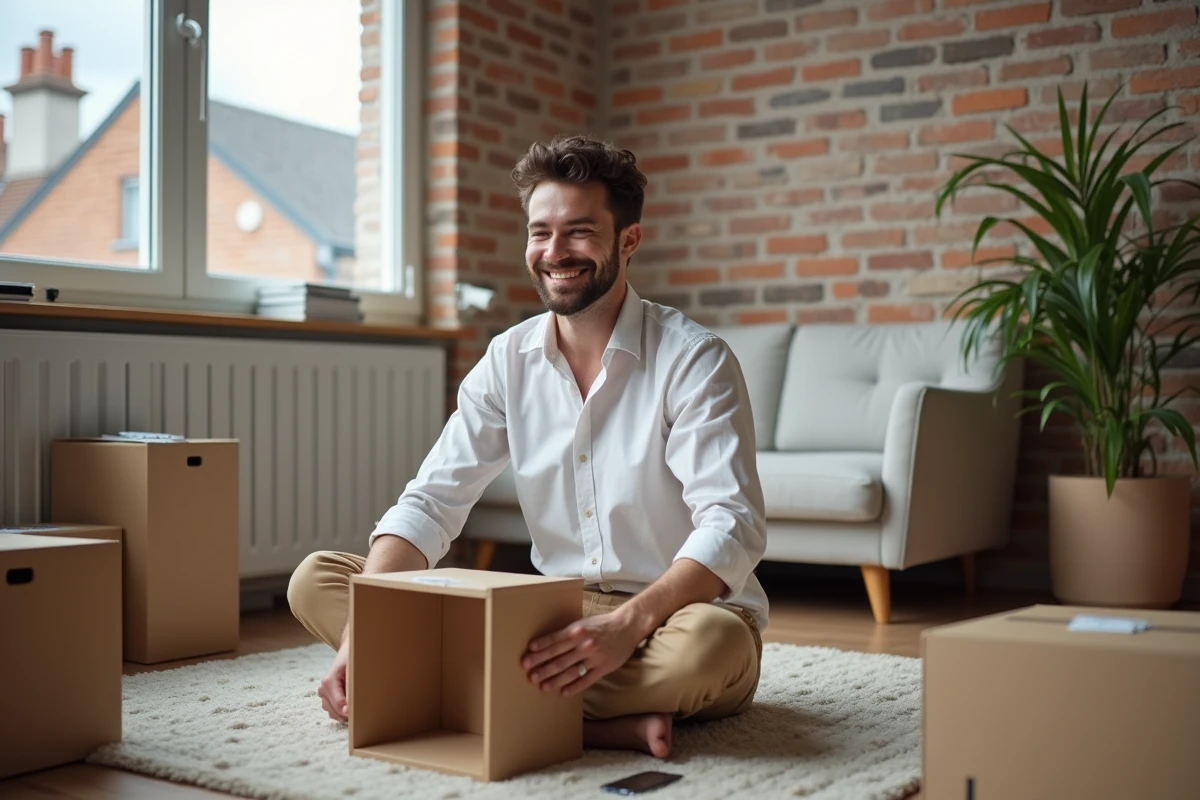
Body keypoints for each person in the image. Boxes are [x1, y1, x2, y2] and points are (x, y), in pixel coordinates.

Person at [287, 134, 769, 759]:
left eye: (579, 231)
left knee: (712, 651)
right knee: (319, 579)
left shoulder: (694, 360)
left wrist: (626, 627)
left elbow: (731, 524)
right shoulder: (507, 360)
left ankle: (454, 695)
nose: (555, 252)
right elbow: (432, 501)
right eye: (540, 232)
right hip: (550, 614)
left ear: (629, 240)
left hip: (673, 615)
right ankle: (595, 725)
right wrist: (366, 632)